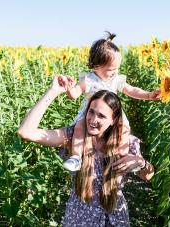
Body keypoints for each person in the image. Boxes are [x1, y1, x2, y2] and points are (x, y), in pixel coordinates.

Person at [17, 76, 154, 226]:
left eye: (101, 116)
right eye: (91, 112)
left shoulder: (127, 142)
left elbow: (147, 176)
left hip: (116, 219)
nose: (93, 119)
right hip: (80, 219)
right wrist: (53, 91)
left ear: (113, 120)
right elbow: (26, 132)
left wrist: (141, 163)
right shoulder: (73, 137)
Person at [63, 31, 160, 172]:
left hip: (111, 114)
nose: (115, 72)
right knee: (79, 127)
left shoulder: (116, 79)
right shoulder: (88, 80)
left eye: (117, 68)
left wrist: (149, 95)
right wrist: (69, 88)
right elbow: (75, 94)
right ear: (96, 65)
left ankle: (124, 157)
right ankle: (76, 157)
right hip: (91, 113)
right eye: (111, 69)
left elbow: (131, 90)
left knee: (124, 129)